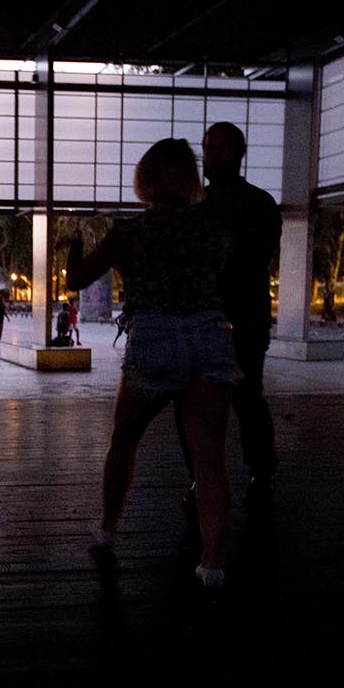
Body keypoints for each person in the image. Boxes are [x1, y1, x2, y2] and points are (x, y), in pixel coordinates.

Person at [66, 138, 237, 588]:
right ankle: (213, 562)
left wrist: (73, 250)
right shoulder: (214, 229)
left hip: (156, 337)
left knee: (125, 440)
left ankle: (107, 528)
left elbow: (76, 280)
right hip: (209, 334)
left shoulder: (131, 233)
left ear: (145, 179)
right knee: (210, 459)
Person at [197, 121, 281, 504]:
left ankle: (210, 475)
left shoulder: (199, 205)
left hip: (228, 317)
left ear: (238, 153)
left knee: (226, 398)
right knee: (246, 395)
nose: (212, 155)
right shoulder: (259, 203)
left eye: (219, 148)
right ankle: (257, 468)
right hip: (244, 316)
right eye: (209, 147)